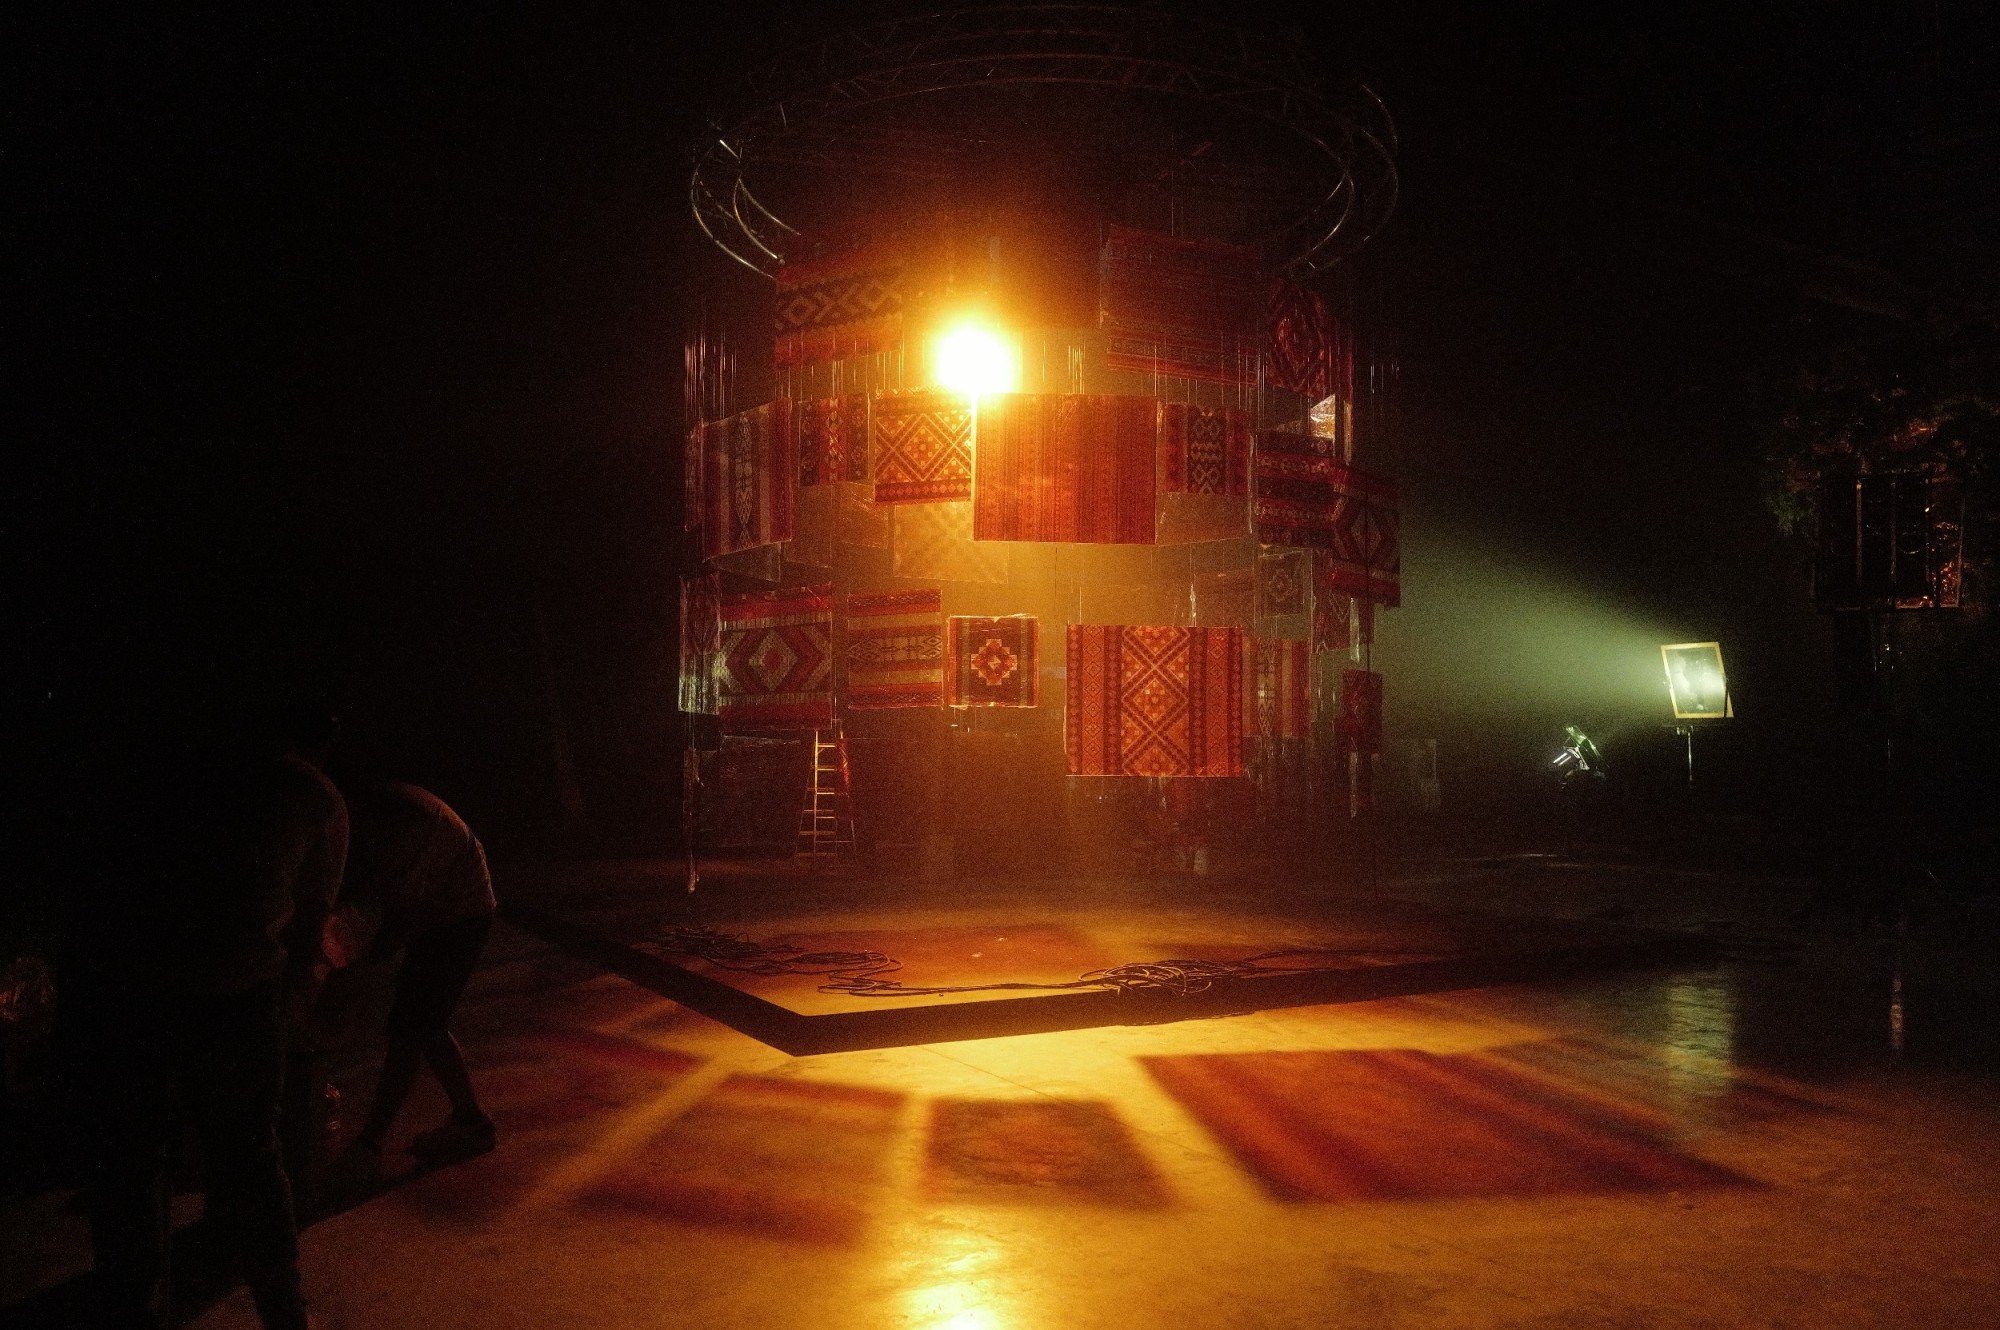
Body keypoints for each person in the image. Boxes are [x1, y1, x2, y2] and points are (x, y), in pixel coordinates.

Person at [60, 712, 345, 1330]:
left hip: (128, 988)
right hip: (233, 994)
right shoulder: (314, 794)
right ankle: (285, 1315)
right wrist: (290, 1004)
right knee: (249, 1156)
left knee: (135, 1162)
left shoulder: (171, 769)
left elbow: (99, 881)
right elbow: (309, 924)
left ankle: (138, 1309)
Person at [334, 779, 497, 1175]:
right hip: (443, 910)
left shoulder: (402, 822)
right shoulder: (379, 812)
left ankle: (370, 1144)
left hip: (461, 915)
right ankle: (470, 1121)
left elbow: (397, 913)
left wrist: (355, 975)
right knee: (424, 1024)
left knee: (411, 1028)